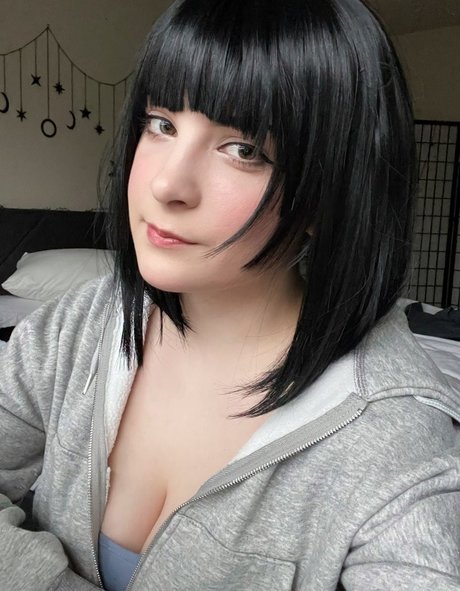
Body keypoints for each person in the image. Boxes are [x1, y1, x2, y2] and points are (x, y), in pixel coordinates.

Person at [1, 0, 459, 589]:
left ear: (328, 194)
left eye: (245, 149)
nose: (167, 183)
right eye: (161, 124)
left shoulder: (394, 439)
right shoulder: (77, 326)